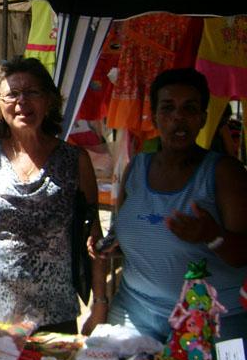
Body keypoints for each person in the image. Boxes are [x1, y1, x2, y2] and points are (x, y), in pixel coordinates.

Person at [95, 68, 247, 342]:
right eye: (167, 108)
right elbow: (123, 233)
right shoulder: (136, 167)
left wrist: (212, 236)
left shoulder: (225, 173)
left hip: (211, 320)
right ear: (154, 116)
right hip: (135, 311)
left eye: (190, 108)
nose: (178, 117)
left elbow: (242, 254)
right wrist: (112, 245)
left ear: (202, 118)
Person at [0, 56, 106, 333]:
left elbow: (93, 235)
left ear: (49, 101)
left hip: (54, 311)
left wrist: (100, 302)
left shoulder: (75, 160)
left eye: (32, 92)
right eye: (12, 94)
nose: (22, 101)